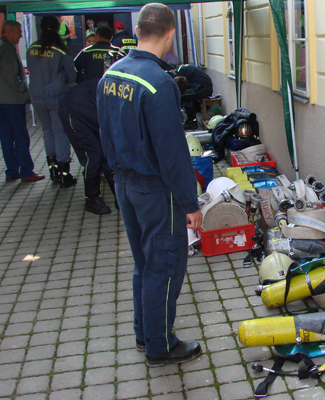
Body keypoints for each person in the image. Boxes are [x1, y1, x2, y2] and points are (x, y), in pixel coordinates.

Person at [97, 3, 203, 367]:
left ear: (137, 31)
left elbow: (104, 134)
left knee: (145, 264)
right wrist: (190, 203)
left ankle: (145, 332)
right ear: (170, 35)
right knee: (165, 267)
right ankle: (161, 345)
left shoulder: (111, 75)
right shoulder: (158, 83)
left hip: (124, 183)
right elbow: (172, 153)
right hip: (156, 190)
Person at [27, 14, 77, 188]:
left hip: (36, 97)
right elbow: (72, 76)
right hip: (56, 96)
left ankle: (53, 170)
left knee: (47, 132)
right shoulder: (61, 50)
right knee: (60, 133)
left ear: (41, 28)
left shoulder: (31, 49)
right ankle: (64, 173)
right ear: (57, 28)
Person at [59, 75, 116, 215]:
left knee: (107, 152)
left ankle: (120, 196)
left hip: (92, 110)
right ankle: (92, 198)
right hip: (74, 111)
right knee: (93, 154)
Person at [0, 20, 45, 183]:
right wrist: (25, 91)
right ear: (8, 32)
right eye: (18, 32)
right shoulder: (6, 48)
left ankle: (12, 170)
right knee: (20, 137)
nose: (20, 35)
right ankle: (26, 171)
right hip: (12, 99)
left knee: (6, 137)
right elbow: (11, 75)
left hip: (2, 100)